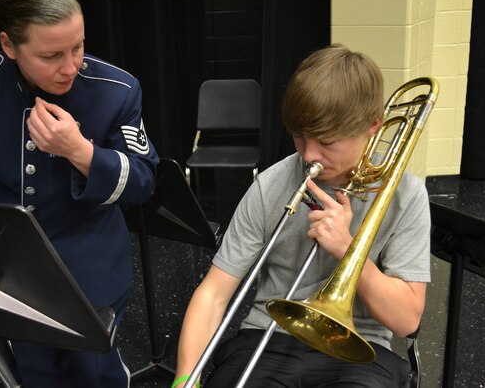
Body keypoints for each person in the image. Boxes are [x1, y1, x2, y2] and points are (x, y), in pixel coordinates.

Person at [174, 44, 430, 387]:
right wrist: (184, 380)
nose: (309, 154)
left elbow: (406, 321)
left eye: (326, 141)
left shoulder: (406, 195)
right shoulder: (269, 186)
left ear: (373, 125)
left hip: (362, 347)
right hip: (267, 336)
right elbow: (214, 293)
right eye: (299, 136)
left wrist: (347, 248)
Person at [0, 0, 159, 386]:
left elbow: (143, 182)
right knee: (37, 373)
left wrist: (81, 152)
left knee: (95, 374)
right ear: (9, 45)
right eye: (51, 55)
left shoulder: (116, 89)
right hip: (14, 268)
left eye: (78, 46)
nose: (71, 66)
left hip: (92, 262)